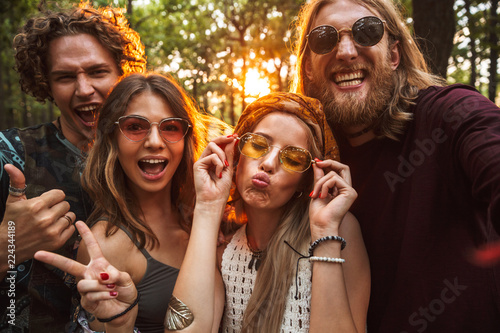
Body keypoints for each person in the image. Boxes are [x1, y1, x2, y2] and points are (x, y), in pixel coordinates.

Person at [37, 92, 370, 332]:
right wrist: (209, 208)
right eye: (258, 144)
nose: (268, 163)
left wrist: (325, 235)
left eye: (293, 157)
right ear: (235, 155)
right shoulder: (224, 248)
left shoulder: (337, 231)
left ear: (304, 180)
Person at [292, 0, 500, 332]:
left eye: (366, 32)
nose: (346, 51)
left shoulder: (448, 115)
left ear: (393, 55)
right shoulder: (303, 162)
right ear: (307, 67)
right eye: (325, 38)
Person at [0, 3, 146, 331]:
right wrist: (10, 243)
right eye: (65, 77)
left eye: (97, 72)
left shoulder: (152, 163)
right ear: (46, 85)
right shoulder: (9, 154)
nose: (83, 89)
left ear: (124, 74)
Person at [76, 72, 208, 333]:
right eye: (135, 127)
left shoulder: (203, 218)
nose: (155, 142)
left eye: (170, 127)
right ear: (112, 137)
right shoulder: (105, 245)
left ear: (186, 139)